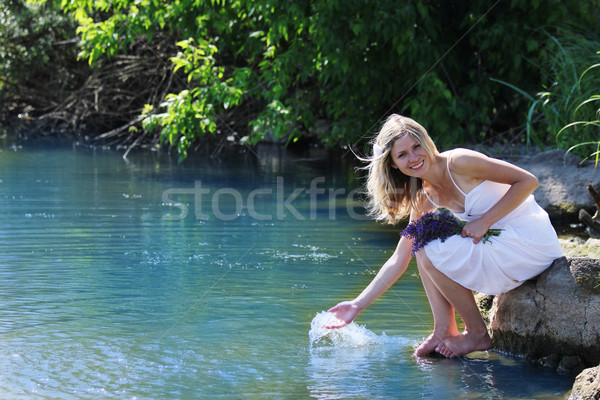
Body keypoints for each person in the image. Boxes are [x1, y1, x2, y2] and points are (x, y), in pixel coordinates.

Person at [326, 114, 563, 358]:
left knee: (428, 244)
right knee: (420, 243)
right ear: (394, 164)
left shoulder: (459, 162)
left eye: (417, 147)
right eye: (402, 155)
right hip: (501, 248)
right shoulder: (423, 197)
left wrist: (485, 221)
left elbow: (528, 181)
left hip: (529, 241)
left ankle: (476, 333)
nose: (414, 157)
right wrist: (357, 304)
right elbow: (400, 257)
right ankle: (443, 329)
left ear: (427, 143)